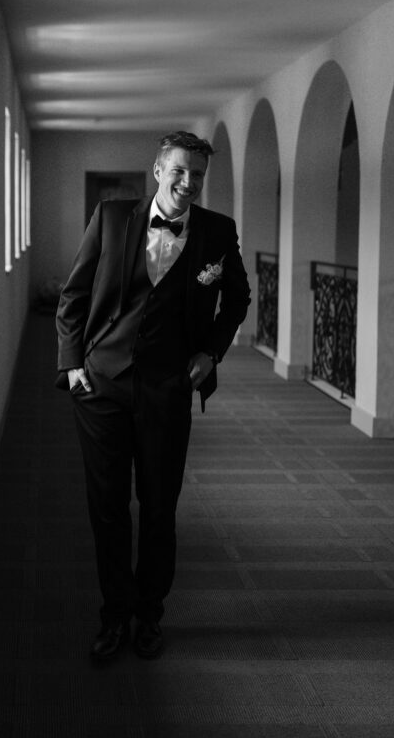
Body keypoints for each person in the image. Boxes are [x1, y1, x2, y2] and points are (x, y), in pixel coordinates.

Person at [56, 131, 250, 662]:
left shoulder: (217, 232)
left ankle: (149, 614)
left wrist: (210, 353)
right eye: (180, 171)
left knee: (160, 508)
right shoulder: (113, 217)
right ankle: (115, 614)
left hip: (167, 390)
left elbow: (238, 298)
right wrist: (72, 364)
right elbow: (74, 293)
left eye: (198, 176)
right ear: (159, 168)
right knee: (108, 508)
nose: (188, 184)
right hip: (101, 386)